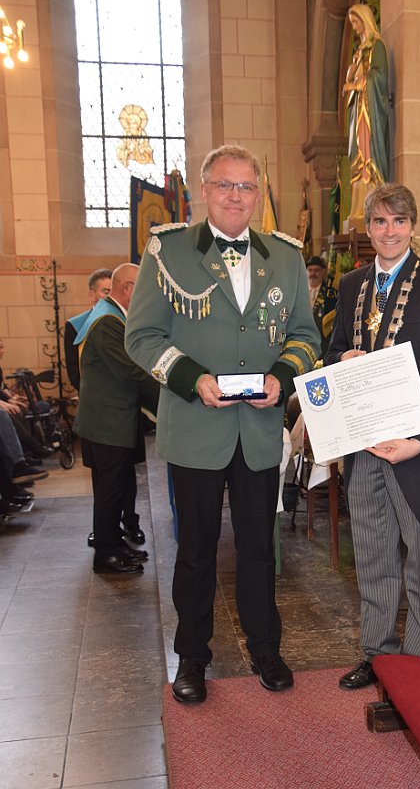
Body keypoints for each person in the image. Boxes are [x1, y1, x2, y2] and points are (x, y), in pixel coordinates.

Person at [125, 143, 320, 704]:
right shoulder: (168, 251)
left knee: (259, 547)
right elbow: (142, 336)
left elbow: (305, 335)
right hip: (195, 425)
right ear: (204, 191)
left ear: (258, 195)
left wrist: (282, 377)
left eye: (246, 187)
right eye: (225, 185)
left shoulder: (285, 256)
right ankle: (192, 655)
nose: (236, 196)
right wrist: (192, 379)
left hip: (258, 430)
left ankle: (265, 648)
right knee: (195, 550)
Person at [326, 183, 420, 689]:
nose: (390, 231)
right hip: (364, 444)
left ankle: (419, 664)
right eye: (381, 221)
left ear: (412, 226)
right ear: (368, 228)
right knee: (372, 555)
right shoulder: (351, 285)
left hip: (414, 449)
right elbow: (333, 349)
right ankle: (378, 654)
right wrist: (342, 357)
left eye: (399, 221)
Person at [74, 263, 159, 576]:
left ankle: (114, 543)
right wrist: (174, 399)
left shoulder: (110, 315)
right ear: (128, 288)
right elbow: (133, 371)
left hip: (111, 422)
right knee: (110, 492)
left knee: (116, 488)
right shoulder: (108, 321)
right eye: (142, 287)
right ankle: (106, 556)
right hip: (107, 424)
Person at [343, 4, 390, 222]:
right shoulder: (360, 51)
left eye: (356, 22)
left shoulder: (376, 45)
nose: (354, 28)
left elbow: (378, 77)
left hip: (369, 109)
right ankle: (358, 207)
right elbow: (351, 78)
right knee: (358, 151)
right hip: (358, 109)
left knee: (368, 149)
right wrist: (352, 72)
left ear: (365, 20)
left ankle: (372, 201)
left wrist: (356, 85)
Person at [64, 268, 112, 391]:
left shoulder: (127, 323)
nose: (111, 297)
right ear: (92, 295)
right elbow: (74, 371)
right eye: (106, 292)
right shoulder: (75, 326)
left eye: (114, 292)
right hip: (91, 395)